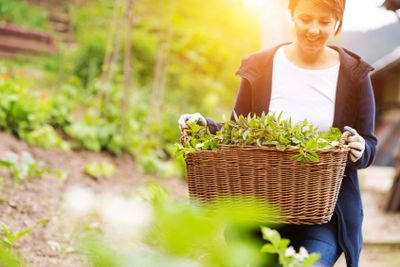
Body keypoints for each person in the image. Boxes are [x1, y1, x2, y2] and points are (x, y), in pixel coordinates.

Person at [178, 0, 377, 266]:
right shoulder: (261, 67)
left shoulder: (354, 74)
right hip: (261, 210)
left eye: (325, 21)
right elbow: (239, 132)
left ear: (337, 22)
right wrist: (206, 126)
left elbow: (369, 145)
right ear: (292, 14)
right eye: (306, 18)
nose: (314, 29)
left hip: (324, 217)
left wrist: (360, 148)